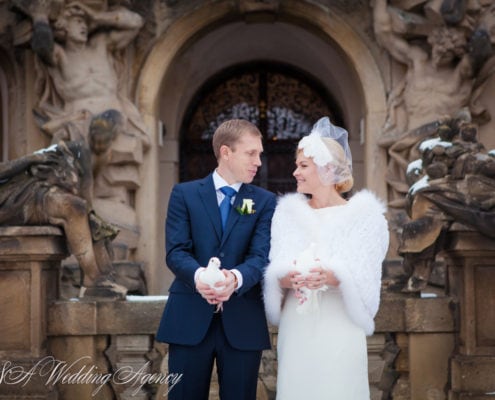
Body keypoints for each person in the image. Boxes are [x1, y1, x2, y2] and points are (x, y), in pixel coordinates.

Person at [263, 117, 389, 399]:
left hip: (340, 322)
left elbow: (368, 272)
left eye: (303, 166)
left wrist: (331, 276)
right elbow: (276, 265)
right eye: (297, 165)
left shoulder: (364, 217)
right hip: (297, 323)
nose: (295, 172)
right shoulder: (287, 214)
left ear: (327, 169)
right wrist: (289, 276)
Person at [156, 119, 277, 400]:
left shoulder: (265, 201)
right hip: (188, 318)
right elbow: (176, 251)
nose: (258, 161)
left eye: (259, 154)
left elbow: (261, 256)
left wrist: (233, 279)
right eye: (251, 153)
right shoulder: (184, 194)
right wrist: (201, 278)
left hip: (243, 321)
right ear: (226, 152)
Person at [0, 141, 126, 299]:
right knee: (73, 208)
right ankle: (92, 280)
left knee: (90, 217)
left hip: (21, 189)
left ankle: (103, 276)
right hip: (11, 198)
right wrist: (30, 159)